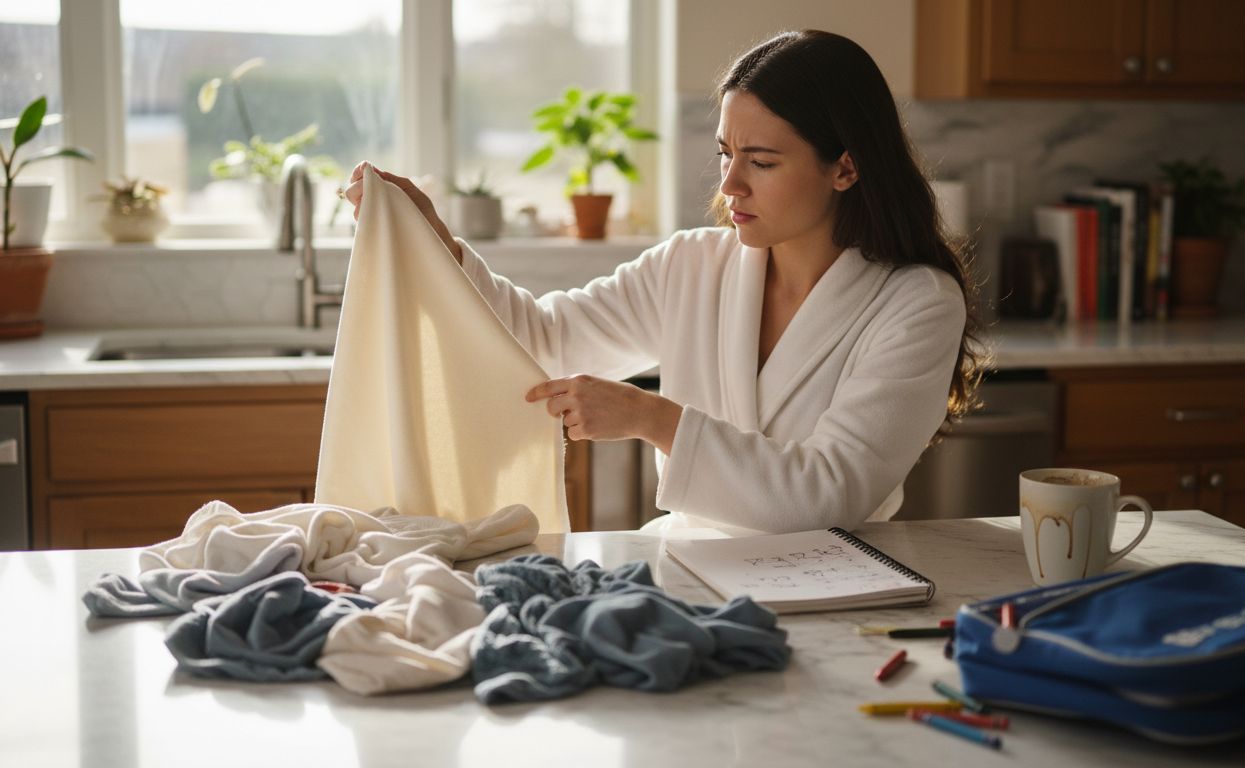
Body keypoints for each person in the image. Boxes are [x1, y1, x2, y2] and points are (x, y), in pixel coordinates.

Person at [343, 29, 983, 536]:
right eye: (726, 155)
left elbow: (830, 492)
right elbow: (542, 339)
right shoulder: (691, 265)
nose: (730, 185)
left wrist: (652, 417)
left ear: (845, 167)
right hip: (690, 569)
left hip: (838, 582)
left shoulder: (916, 303)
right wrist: (440, 248)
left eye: (761, 161)